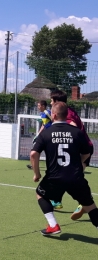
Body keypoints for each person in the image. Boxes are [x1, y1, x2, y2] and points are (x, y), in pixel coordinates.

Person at [30, 101, 98, 235]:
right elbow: (87, 152)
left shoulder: (46, 133)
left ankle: (53, 225)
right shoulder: (77, 132)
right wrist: (78, 163)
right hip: (76, 178)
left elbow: (33, 154)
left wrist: (36, 174)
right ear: (66, 115)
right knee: (90, 206)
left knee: (40, 194)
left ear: (53, 115)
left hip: (54, 178)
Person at [50, 89, 94, 217]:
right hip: (83, 148)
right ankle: (58, 200)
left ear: (57, 101)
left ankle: (84, 202)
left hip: (81, 149)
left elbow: (73, 126)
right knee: (70, 175)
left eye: (52, 101)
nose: (50, 102)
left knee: (73, 177)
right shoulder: (69, 111)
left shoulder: (66, 114)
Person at [27, 100, 52, 170]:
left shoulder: (48, 112)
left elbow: (54, 121)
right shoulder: (41, 114)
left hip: (50, 135)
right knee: (37, 148)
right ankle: (34, 165)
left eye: (39, 105)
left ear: (43, 106)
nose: (38, 107)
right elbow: (44, 124)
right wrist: (38, 134)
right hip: (44, 134)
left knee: (50, 151)